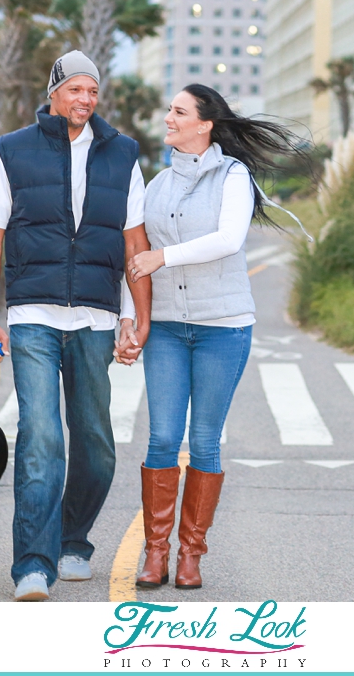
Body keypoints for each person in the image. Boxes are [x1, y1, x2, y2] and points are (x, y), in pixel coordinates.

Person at [0, 49, 151, 602]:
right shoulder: (13, 150)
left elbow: (134, 244)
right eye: (76, 89)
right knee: (42, 437)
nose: (85, 100)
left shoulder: (123, 155)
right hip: (32, 317)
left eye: (93, 91)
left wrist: (134, 318)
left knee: (96, 442)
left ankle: (73, 539)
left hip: (96, 318)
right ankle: (32, 562)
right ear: (54, 91)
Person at [120, 83, 305, 590]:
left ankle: (190, 555)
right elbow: (134, 254)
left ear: (204, 123)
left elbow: (228, 239)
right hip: (168, 332)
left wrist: (164, 257)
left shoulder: (234, 176)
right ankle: (155, 553)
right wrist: (127, 316)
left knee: (204, 441)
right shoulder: (155, 185)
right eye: (169, 111)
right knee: (161, 436)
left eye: (178, 112)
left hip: (222, 328)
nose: (168, 118)